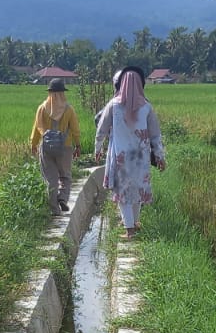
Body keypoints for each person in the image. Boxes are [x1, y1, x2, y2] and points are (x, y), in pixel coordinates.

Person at [94, 66, 165, 239]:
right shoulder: (146, 107)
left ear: (121, 83)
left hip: (121, 157)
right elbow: (155, 135)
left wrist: (98, 148)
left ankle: (130, 229)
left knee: (123, 192)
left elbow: (101, 129)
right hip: (141, 156)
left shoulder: (114, 105)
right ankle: (134, 223)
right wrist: (160, 156)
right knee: (138, 189)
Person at [29, 76, 81, 213]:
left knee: (51, 179)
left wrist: (33, 144)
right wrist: (78, 145)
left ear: (50, 93)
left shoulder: (42, 108)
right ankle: (62, 198)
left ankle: (54, 209)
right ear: (63, 93)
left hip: (46, 148)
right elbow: (75, 129)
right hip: (65, 147)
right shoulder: (68, 109)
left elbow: (36, 128)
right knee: (65, 176)